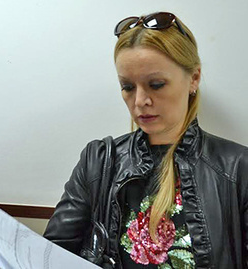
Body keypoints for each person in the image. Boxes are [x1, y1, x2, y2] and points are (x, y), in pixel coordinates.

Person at [44, 12, 248, 268]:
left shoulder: (237, 168)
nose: (140, 101)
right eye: (128, 87)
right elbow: (51, 256)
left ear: (194, 78)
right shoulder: (98, 161)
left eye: (156, 84)